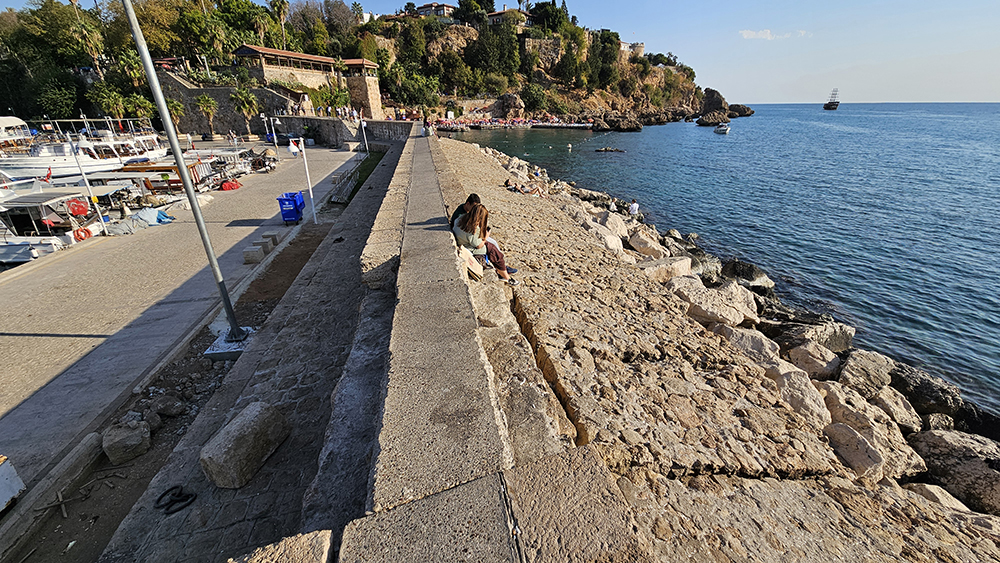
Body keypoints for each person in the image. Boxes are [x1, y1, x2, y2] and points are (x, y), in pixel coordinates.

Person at [453, 203, 519, 285]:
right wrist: (485, 236)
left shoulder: (461, 219)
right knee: (493, 249)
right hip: (469, 249)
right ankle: (506, 277)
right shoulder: (471, 229)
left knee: (493, 247)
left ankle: (502, 269)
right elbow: (478, 245)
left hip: (463, 242)